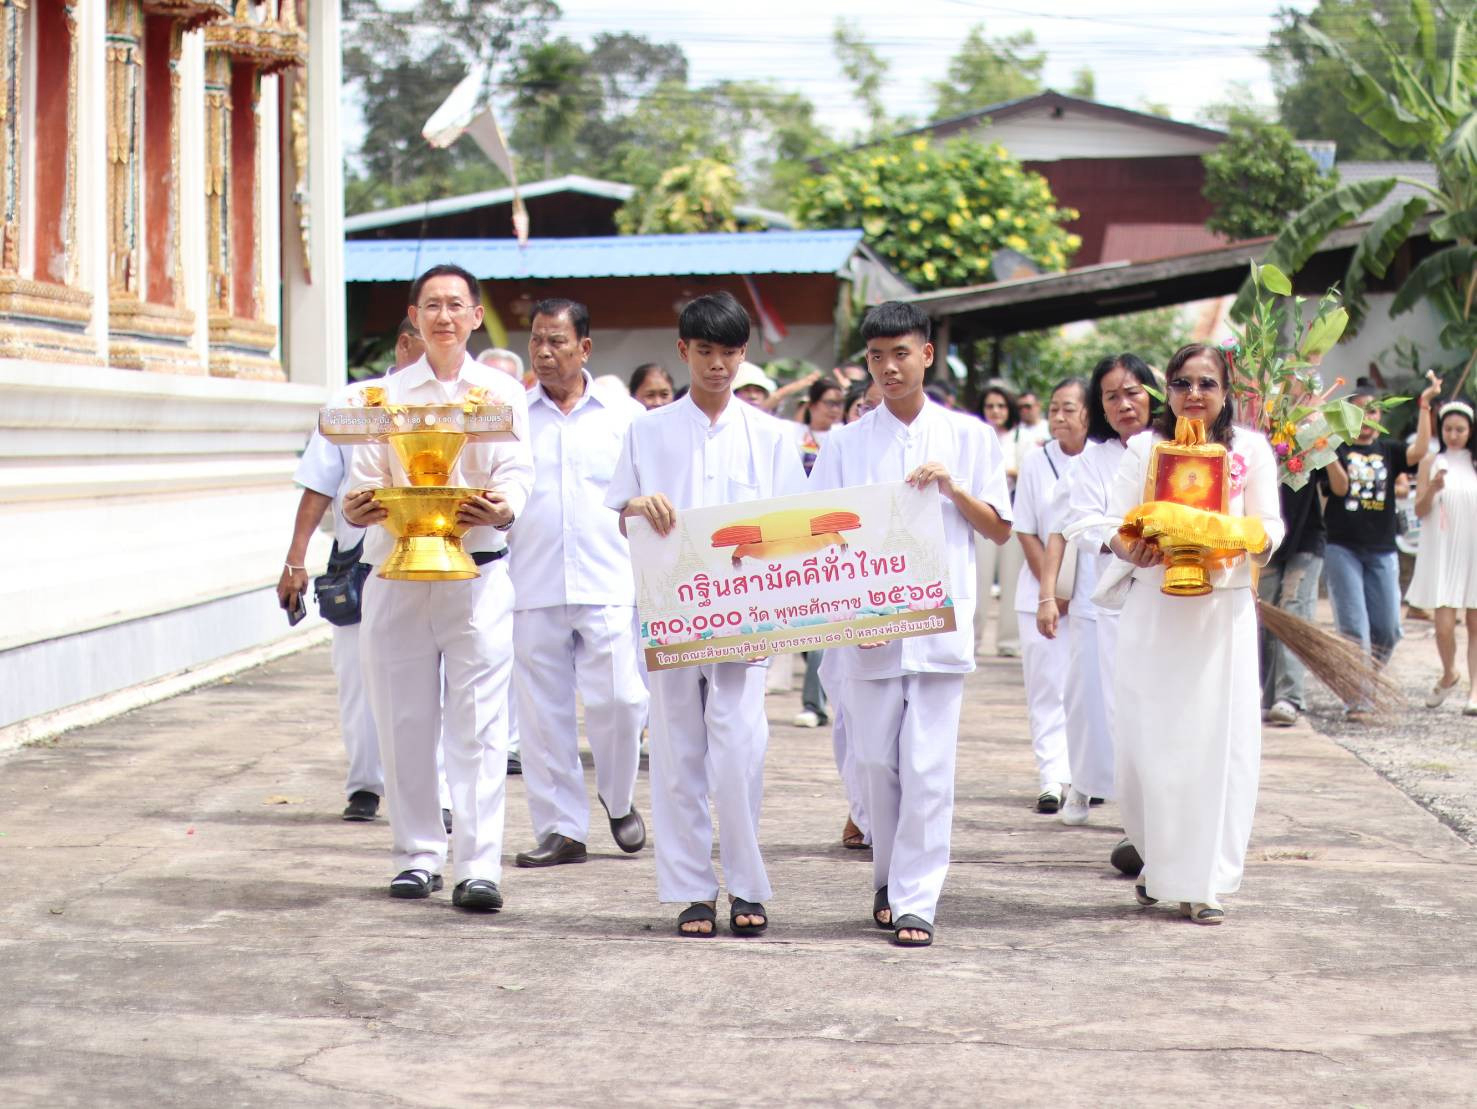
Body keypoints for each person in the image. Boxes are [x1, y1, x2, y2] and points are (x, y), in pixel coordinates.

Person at [605, 291, 807, 938]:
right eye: (704, 352)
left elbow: (793, 528)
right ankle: (692, 889)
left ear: (743, 355)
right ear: (682, 351)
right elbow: (618, 516)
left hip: (745, 616)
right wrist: (638, 506)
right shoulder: (646, 429)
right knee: (676, 751)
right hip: (670, 613)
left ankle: (746, 885)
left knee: (740, 750)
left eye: (728, 353)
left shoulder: (774, 437)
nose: (716, 365)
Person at [811, 301, 1012, 948]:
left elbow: (999, 527)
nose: (889, 367)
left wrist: (952, 490)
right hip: (867, 628)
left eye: (900, 353)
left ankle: (915, 897)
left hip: (938, 623)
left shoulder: (970, 436)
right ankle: (887, 875)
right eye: (876, 357)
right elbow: (822, 536)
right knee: (874, 763)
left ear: (926, 353)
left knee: (927, 767)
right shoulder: (843, 444)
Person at [344, 263, 534, 912]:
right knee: (403, 718)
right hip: (395, 570)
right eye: (432, 305)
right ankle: (416, 854)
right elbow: (361, 473)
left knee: (479, 724)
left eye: (456, 305)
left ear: (476, 316)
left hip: (477, 570)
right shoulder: (380, 394)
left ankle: (478, 865)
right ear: (415, 316)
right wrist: (359, 504)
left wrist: (502, 505)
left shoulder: (500, 393)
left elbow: (517, 471)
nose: (444, 316)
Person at [1105, 343, 1283, 925]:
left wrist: (1233, 537)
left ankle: (1204, 884)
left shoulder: (1250, 450)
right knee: (1148, 748)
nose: (1194, 395)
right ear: (1168, 390)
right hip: (1155, 611)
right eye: (1182, 384)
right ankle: (1159, 867)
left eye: (1207, 383)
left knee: (1213, 748)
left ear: (1226, 390)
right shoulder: (1142, 448)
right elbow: (1111, 522)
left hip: (1220, 616)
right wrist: (1131, 545)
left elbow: (1271, 524)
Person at [278, 318, 454, 823]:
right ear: (404, 343)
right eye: (427, 341)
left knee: (440, 685)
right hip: (365, 561)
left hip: (443, 558)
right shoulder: (355, 403)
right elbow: (318, 484)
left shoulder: (463, 399)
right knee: (360, 678)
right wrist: (295, 559)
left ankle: (438, 794)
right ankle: (365, 783)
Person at [509, 298, 650, 869]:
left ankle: (617, 798)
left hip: (609, 577)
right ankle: (561, 829)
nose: (544, 353)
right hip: (533, 580)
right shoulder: (511, 416)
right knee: (543, 717)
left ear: (584, 348)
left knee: (621, 699)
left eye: (556, 342)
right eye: (537, 341)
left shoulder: (626, 417)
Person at [1037, 354, 1156, 829]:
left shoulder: (1173, 448)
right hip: (1099, 596)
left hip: (1159, 594)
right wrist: (1119, 543)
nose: (1125, 404)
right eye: (1112, 396)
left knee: (1143, 702)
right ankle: (1084, 785)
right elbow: (1077, 522)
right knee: (1088, 699)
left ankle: (1145, 804)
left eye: (1133, 392)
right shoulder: (1093, 458)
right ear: (1099, 407)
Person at [1320, 375, 1440, 717]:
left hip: (1383, 550)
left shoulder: (1389, 450)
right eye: (1359, 412)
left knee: (1388, 629)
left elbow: (1419, 451)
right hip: (1342, 548)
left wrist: (1425, 404)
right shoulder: (1337, 449)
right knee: (1354, 629)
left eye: (1373, 412)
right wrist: (1326, 450)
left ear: (1380, 418)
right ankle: (1358, 698)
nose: (1366, 419)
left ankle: (1363, 679)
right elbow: (1339, 490)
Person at [1010, 377, 1088, 813]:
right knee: (1045, 687)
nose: (1059, 416)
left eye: (1069, 408)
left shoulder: (1100, 458)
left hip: (1090, 595)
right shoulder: (1037, 461)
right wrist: (1052, 588)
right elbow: (1025, 528)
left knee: (1083, 689)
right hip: (1037, 594)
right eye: (1054, 408)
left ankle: (1082, 775)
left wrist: (1069, 591)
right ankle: (1050, 776)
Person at [477, 347, 529, 773]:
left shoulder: (519, 417)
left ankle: (510, 742)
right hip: (476, 558)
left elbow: (518, 478)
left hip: (529, 566)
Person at [1407, 401, 1477, 712]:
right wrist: (1433, 488)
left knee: (1475, 623)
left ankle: (1475, 692)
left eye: (1460, 429)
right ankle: (1449, 673)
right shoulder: (1430, 463)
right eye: (1448, 428)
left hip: (1472, 549)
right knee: (1445, 626)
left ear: (1471, 431)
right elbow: (1420, 510)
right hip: (1442, 550)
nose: (1453, 434)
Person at [792, 377, 847, 730]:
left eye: (839, 402)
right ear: (811, 404)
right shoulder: (793, 436)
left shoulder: (846, 437)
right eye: (828, 402)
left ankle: (817, 702)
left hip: (833, 540)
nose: (835, 409)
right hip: (795, 538)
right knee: (807, 624)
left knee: (822, 624)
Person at [1259, 480, 1324, 728]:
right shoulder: (1253, 443)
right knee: (1266, 615)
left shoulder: (1318, 443)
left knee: (1294, 610)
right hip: (1264, 538)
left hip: (1306, 538)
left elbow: (1337, 488)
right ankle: (1268, 695)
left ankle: (1290, 697)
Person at [974, 384, 1025, 657]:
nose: (995, 411)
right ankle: (972, 640)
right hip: (982, 514)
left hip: (1014, 515)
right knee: (978, 578)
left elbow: (1028, 473)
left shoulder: (1021, 438)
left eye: (1001, 406)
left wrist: (1011, 472)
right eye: (990, 406)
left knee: (1012, 579)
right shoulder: (975, 437)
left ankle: (1009, 642)